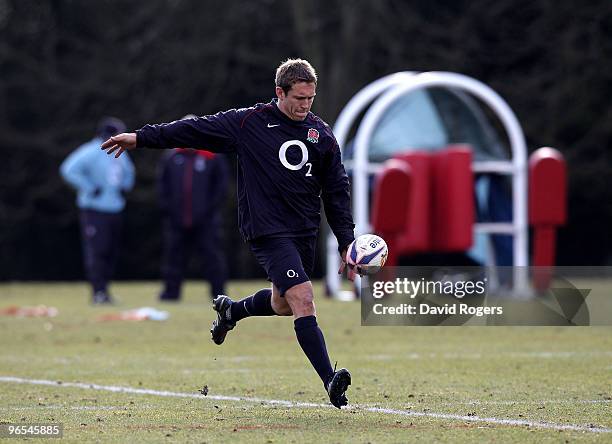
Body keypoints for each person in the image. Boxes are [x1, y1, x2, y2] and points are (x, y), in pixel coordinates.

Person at [101, 59, 355, 408]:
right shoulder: (249, 122)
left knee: (283, 303)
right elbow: (194, 130)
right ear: (279, 92)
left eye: (311, 98)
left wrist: (346, 241)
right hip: (267, 228)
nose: (305, 105)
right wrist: (141, 138)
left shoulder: (321, 135)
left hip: (303, 231)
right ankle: (331, 380)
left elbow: (337, 191)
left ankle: (232, 312)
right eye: (299, 97)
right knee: (304, 298)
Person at [61, 117, 135, 304]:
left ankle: (104, 291)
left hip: (115, 209)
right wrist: (89, 187)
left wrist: (124, 187)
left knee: (110, 251)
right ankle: (98, 292)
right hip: (94, 210)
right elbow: (69, 169)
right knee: (98, 250)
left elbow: (128, 173)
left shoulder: (120, 151)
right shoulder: (91, 151)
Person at [157, 117, 230, 301]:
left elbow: (221, 186)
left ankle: (219, 294)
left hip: (206, 220)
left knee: (212, 257)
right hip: (177, 219)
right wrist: (169, 209)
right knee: (173, 257)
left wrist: (209, 209)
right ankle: (170, 294)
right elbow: (162, 186)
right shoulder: (172, 157)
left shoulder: (212, 156)